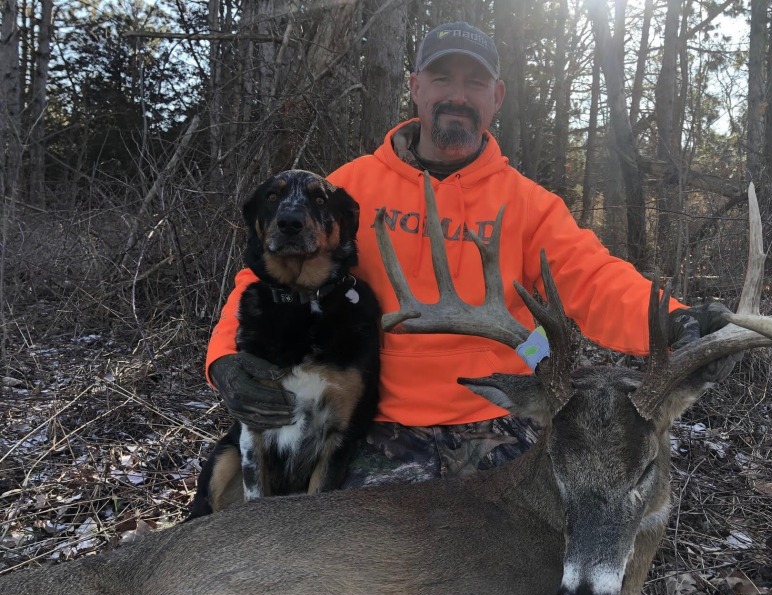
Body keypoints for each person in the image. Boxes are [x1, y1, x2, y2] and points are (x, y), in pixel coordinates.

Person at [205, 22, 733, 488]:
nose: (457, 96)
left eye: (474, 82)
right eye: (442, 79)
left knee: (536, 568)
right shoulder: (349, 190)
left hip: (500, 418)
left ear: (497, 96)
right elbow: (267, 280)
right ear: (415, 88)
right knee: (372, 584)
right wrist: (227, 357)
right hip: (382, 427)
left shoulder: (527, 203)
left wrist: (673, 320)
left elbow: (593, 278)